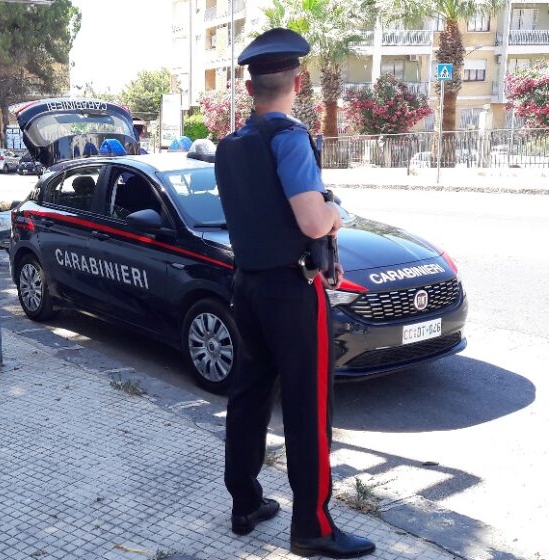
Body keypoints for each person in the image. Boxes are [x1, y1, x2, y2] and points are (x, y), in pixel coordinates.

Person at [215, 28, 374, 558]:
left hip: (247, 287)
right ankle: (313, 527)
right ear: (297, 81)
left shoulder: (230, 146)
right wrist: (334, 211)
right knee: (307, 408)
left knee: (249, 396)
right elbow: (311, 221)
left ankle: (246, 503)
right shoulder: (289, 137)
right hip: (290, 291)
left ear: (250, 83)